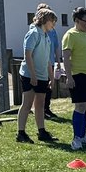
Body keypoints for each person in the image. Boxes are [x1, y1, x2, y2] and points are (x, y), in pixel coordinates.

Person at [16, 8, 57, 144]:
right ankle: (21, 133)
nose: (54, 25)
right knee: (27, 104)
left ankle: (42, 131)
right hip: (30, 75)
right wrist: (33, 75)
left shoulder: (46, 36)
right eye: (52, 21)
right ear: (45, 20)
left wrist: (51, 77)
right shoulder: (33, 34)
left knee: (40, 104)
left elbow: (47, 60)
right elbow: (27, 55)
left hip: (42, 75)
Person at [62, 6, 86, 151]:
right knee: (80, 106)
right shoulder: (70, 35)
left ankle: (83, 135)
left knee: (85, 107)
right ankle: (76, 138)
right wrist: (69, 77)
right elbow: (66, 57)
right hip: (78, 75)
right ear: (77, 21)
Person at [40, 5, 61, 120]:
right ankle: (40, 109)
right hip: (41, 63)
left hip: (50, 62)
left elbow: (56, 46)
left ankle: (46, 108)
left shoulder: (52, 30)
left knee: (49, 87)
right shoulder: (36, 31)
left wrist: (58, 61)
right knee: (41, 87)